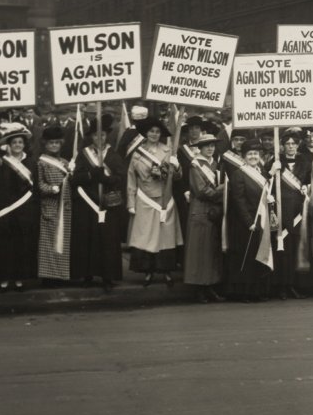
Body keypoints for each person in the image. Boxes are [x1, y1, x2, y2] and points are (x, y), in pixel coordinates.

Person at [70, 115, 125, 291]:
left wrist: (107, 179)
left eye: (102, 135)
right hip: (87, 202)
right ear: (91, 137)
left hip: (107, 203)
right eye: (95, 135)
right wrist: (90, 175)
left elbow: (121, 178)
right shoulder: (83, 155)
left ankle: (108, 277)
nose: (99, 138)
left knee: (107, 241)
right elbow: (75, 179)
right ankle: (88, 275)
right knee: (88, 239)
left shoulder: (114, 155)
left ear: (106, 136)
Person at [127, 117, 182, 286]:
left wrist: (176, 167)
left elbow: (178, 178)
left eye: (157, 132)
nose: (154, 134)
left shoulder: (168, 151)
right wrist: (131, 202)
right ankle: (148, 271)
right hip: (145, 198)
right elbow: (131, 178)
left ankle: (166, 271)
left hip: (164, 199)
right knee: (146, 236)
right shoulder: (137, 153)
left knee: (165, 237)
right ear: (146, 133)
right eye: (151, 131)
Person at [226, 138, 274, 302]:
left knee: (257, 257)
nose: (253, 156)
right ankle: (243, 292)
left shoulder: (261, 173)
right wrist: (249, 222)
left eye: (255, 153)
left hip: (261, 220)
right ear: (243, 156)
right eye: (250, 154)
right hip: (245, 223)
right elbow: (238, 200)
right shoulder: (239, 174)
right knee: (245, 257)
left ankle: (257, 291)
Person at [0, 122, 39, 292]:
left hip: (26, 209)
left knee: (22, 246)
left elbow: (35, 187)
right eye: (14, 143)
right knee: (5, 246)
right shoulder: (1, 163)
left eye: (20, 142)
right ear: (9, 145)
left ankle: (19, 279)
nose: (18, 145)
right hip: (7, 209)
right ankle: (4, 279)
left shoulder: (32, 162)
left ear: (24, 144)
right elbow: (0, 186)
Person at [183, 133, 225, 303]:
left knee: (211, 251)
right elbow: (201, 190)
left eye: (212, 145)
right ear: (200, 148)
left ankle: (210, 286)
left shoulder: (215, 163)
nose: (210, 148)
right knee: (199, 252)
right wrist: (222, 190)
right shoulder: (195, 166)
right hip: (200, 211)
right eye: (207, 145)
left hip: (213, 211)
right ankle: (199, 289)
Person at [271, 130, 308, 300]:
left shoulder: (305, 162)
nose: (291, 146)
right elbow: (266, 183)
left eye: (294, 143)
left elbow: (311, 182)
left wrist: (307, 187)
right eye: (288, 144)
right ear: (283, 146)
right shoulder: (275, 162)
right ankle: (281, 286)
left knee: (295, 249)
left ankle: (294, 284)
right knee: (282, 251)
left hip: (298, 212)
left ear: (298, 145)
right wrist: (271, 170)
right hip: (281, 210)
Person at [36, 125, 72, 282]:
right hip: (50, 206)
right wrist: (51, 189)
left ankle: (61, 275)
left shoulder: (65, 162)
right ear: (45, 144)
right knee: (49, 242)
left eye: (57, 143)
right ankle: (48, 276)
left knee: (62, 241)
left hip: (65, 207)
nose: (54, 146)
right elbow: (39, 185)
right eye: (51, 143)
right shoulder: (41, 163)